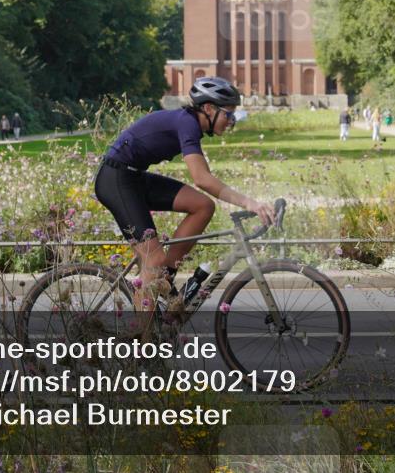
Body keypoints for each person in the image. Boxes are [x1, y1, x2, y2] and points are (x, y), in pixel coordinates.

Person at [94, 77, 274, 315]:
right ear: (209, 109)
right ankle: (142, 337)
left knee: (202, 206)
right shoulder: (187, 123)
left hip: (133, 177)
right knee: (154, 260)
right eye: (228, 114)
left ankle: (164, 278)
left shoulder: (190, 125)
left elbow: (202, 183)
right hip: (115, 179)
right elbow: (201, 178)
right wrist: (249, 202)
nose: (231, 121)